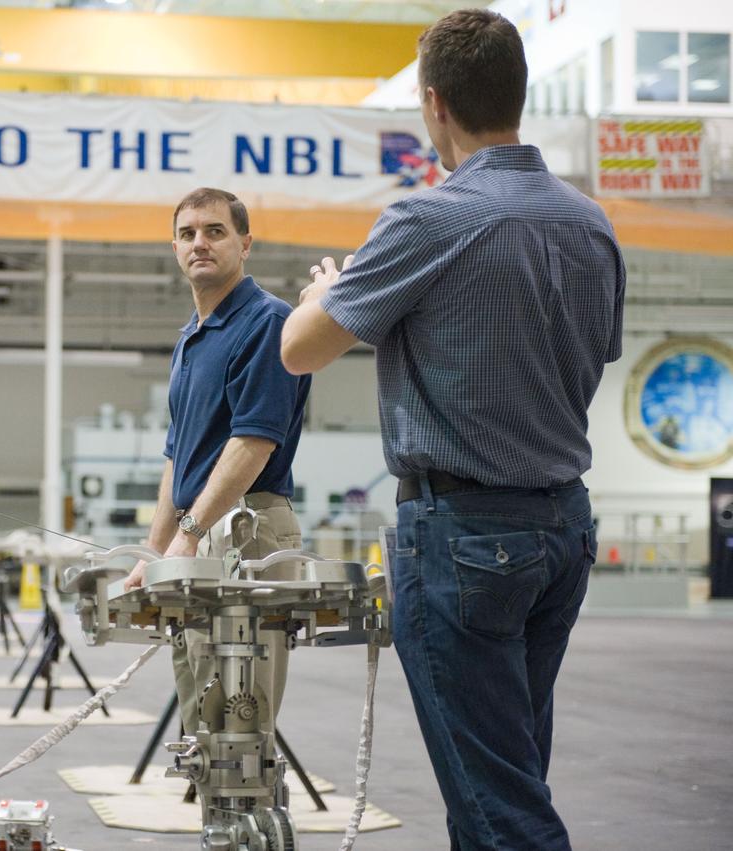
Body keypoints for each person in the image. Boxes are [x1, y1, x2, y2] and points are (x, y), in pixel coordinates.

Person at [280, 10, 625, 851]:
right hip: (561, 530)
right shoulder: (592, 225)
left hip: (465, 537)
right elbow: (599, 350)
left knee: (501, 809)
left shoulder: (430, 220)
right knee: (507, 773)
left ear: (433, 104)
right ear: (518, 93)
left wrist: (330, 289)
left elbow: (300, 350)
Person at [124, 187, 312, 755]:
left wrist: (190, 535)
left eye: (214, 231)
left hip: (247, 531)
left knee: (239, 726)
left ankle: (252, 840)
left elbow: (252, 444)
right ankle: (219, 835)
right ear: (175, 248)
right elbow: (176, 457)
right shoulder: (192, 337)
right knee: (201, 728)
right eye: (187, 234)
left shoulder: (268, 322)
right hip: (201, 532)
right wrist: (153, 556)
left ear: (245, 243)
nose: (199, 243)